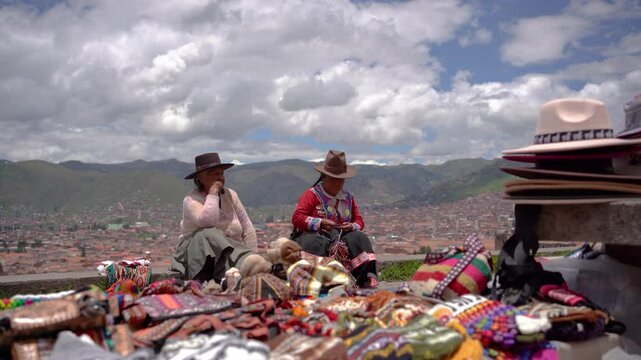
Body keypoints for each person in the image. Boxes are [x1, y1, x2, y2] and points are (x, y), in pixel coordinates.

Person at [291, 150, 378, 288]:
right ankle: (322, 280)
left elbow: (359, 221)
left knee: (359, 238)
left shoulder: (348, 198)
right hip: (316, 238)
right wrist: (319, 223)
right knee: (315, 242)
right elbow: (297, 218)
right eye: (333, 178)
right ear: (325, 176)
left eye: (340, 179)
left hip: (341, 240)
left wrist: (351, 226)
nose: (337, 183)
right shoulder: (312, 194)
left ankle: (362, 277)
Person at [170, 152, 262, 281]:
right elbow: (207, 222)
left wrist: (254, 255)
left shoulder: (231, 195)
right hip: (199, 254)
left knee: (249, 259)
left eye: (221, 174)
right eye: (214, 174)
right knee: (209, 233)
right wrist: (213, 193)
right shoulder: (191, 200)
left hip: (232, 252)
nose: (220, 178)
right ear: (200, 179)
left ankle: (251, 265)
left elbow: (247, 227)